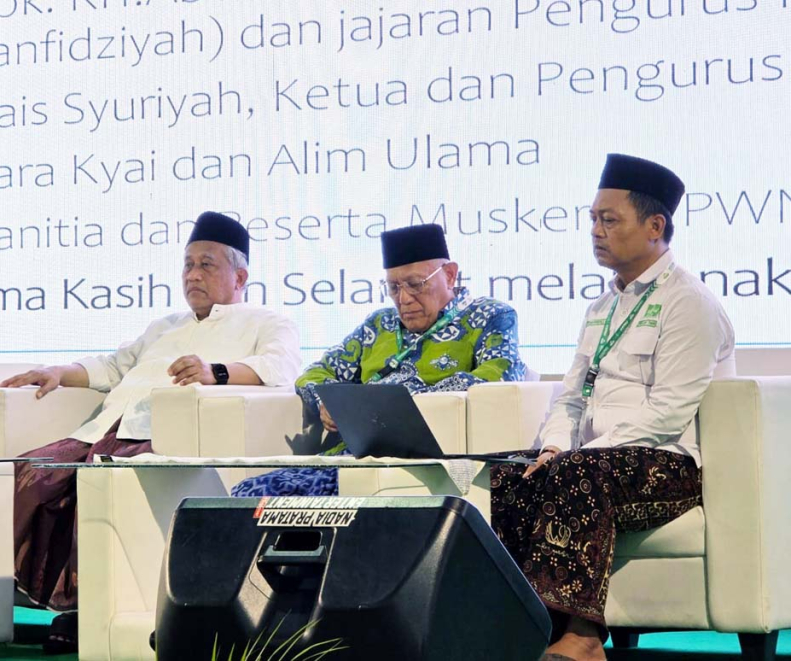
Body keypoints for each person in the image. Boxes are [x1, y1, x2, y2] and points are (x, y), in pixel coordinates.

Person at [4, 211, 301, 652]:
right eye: (188, 265)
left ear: (240, 276)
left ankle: (90, 611)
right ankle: (54, 601)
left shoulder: (266, 322)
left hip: (163, 435)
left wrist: (215, 372)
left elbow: (281, 368)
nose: (193, 275)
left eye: (206, 264)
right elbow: (113, 366)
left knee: (102, 479)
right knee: (32, 470)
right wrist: (59, 372)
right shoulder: (166, 326)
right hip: (107, 427)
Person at [489, 154, 735, 661]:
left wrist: (581, 455)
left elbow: (668, 411)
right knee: (506, 475)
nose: (596, 232)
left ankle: (583, 637)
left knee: (577, 472)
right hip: (595, 460)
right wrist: (554, 447)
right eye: (593, 220)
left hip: (667, 464)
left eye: (609, 220)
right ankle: (523, 626)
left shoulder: (689, 302)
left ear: (655, 227)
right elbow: (571, 396)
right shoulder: (601, 307)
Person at [232, 223, 526, 498]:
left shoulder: (490, 316)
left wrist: (404, 400)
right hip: (354, 458)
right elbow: (315, 373)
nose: (404, 299)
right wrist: (329, 402)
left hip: (431, 461)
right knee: (247, 494)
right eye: (394, 288)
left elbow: (498, 376)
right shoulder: (379, 325)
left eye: (415, 284)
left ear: (449, 275)